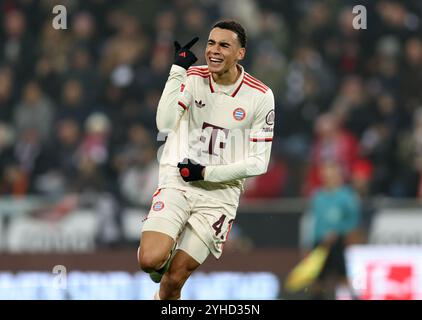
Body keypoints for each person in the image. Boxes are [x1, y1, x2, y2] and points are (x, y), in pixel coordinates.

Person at [137, 20, 275, 300]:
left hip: (219, 196)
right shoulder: (193, 77)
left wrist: (205, 173)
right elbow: (164, 124)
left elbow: (259, 163)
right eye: (211, 43)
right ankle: (163, 254)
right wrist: (177, 70)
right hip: (179, 180)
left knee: (173, 281)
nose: (214, 50)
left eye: (224, 45)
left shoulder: (260, 96)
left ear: (240, 53)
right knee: (149, 260)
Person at [308, 160, 361, 299]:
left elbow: (353, 221)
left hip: (338, 243)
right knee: (317, 280)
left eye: (331, 174)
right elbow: (316, 222)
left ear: (338, 175)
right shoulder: (318, 196)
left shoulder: (346, 196)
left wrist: (339, 232)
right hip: (320, 244)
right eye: (325, 174)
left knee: (343, 277)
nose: (328, 177)